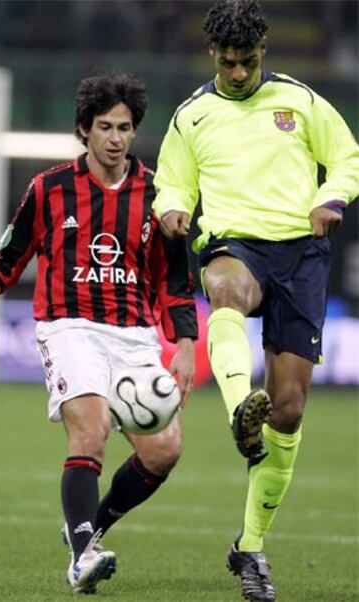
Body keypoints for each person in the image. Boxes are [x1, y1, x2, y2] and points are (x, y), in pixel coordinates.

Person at [0, 73, 197, 594]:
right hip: (69, 327)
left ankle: (88, 526)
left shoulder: (156, 195)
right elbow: (5, 260)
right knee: (92, 431)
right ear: (84, 129)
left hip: (135, 335)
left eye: (125, 127)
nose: (115, 138)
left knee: (164, 449)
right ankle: (82, 558)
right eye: (104, 126)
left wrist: (188, 346)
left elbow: (175, 281)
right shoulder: (49, 189)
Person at [153, 1, 359, 601]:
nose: (237, 72)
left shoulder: (301, 101)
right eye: (227, 61)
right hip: (234, 241)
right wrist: (171, 206)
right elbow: (173, 179)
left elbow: (346, 156)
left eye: (246, 62)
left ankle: (250, 546)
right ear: (211, 53)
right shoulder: (191, 116)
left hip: (302, 252)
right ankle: (241, 411)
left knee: (290, 413)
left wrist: (332, 199)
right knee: (225, 290)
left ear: (262, 51)